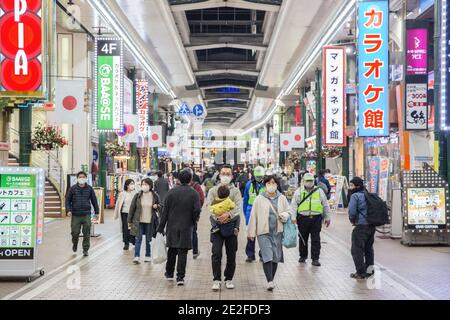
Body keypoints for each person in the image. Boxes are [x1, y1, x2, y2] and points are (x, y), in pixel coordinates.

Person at [157, 169, 201, 286]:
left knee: (172, 249)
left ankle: (169, 273)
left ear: (178, 179)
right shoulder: (193, 193)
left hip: (172, 225)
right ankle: (180, 277)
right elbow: (197, 209)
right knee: (183, 252)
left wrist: (160, 228)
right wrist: (193, 220)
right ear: (191, 179)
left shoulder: (171, 192)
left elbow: (164, 212)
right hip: (186, 226)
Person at [247, 175, 291, 291]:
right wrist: (251, 232)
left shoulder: (282, 198)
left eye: (273, 183)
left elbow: (289, 211)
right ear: (265, 185)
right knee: (267, 255)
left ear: (277, 185)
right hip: (263, 232)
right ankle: (270, 281)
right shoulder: (259, 198)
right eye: (269, 183)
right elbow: (253, 216)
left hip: (277, 232)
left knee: (275, 257)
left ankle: (271, 278)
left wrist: (284, 215)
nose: (271, 185)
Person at [207, 165, 243, 291]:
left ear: (232, 176)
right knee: (216, 254)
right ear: (219, 175)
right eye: (223, 173)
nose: (225, 176)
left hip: (231, 226)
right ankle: (216, 279)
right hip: (217, 227)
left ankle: (229, 278)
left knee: (231, 254)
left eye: (228, 174)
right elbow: (210, 207)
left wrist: (228, 215)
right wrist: (218, 218)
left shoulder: (236, 191)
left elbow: (238, 207)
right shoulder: (213, 191)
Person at [290, 173, 331, 266]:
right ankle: (303, 256)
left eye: (311, 181)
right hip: (302, 218)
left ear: (314, 181)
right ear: (303, 181)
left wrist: (327, 217)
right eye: (307, 181)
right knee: (302, 238)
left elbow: (325, 205)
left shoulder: (319, 191)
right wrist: (293, 217)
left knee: (316, 239)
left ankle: (315, 259)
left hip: (316, 218)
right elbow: (293, 205)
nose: (309, 183)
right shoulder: (298, 192)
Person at [65, 171, 99, 257]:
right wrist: (68, 210)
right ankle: (75, 243)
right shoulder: (72, 188)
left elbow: (94, 201)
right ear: (77, 178)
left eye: (83, 177)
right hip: (76, 214)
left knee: (86, 232)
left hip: (86, 214)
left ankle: (85, 249)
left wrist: (97, 212)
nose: (81, 178)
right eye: (80, 177)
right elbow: (67, 200)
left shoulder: (90, 189)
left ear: (86, 178)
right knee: (75, 232)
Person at [348, 177, 375, 280]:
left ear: (357, 186)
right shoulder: (368, 194)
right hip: (371, 226)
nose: (351, 187)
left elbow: (352, 211)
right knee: (369, 249)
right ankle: (370, 270)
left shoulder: (355, 196)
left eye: (352, 185)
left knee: (357, 249)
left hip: (361, 226)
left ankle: (360, 272)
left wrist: (352, 220)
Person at [128, 178, 161, 264]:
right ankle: (136, 256)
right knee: (138, 239)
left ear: (150, 186)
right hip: (139, 221)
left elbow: (161, 206)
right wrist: (129, 221)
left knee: (148, 240)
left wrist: (156, 206)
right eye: (143, 184)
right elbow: (132, 208)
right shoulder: (138, 195)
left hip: (150, 221)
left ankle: (148, 255)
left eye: (146, 184)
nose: (144, 186)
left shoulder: (155, 196)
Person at [242, 166, 266, 262]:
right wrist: (245, 213)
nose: (259, 179)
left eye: (261, 177)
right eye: (257, 177)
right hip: (251, 212)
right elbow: (245, 200)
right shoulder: (249, 185)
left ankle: (263, 254)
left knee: (263, 234)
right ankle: (250, 254)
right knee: (251, 234)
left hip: (263, 212)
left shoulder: (267, 185)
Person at [185, 168, 205, 259]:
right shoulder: (196, 186)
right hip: (193, 214)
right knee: (193, 232)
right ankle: (195, 251)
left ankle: (182, 250)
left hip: (180, 214)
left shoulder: (177, 186)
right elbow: (201, 199)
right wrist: (197, 210)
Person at [113, 179, 137, 250]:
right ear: (127, 185)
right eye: (131, 184)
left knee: (133, 228)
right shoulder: (122, 194)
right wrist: (116, 214)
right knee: (125, 229)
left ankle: (133, 241)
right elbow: (118, 204)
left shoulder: (135, 193)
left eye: (133, 183)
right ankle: (126, 243)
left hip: (133, 214)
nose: (132, 185)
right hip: (125, 213)